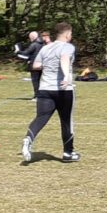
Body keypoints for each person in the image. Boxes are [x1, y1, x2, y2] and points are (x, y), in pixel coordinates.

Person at [22, 22, 79, 163]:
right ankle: (68, 153)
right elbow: (64, 59)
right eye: (71, 34)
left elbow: (36, 65)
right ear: (67, 34)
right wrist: (66, 76)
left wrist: (48, 65)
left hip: (45, 89)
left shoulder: (46, 48)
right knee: (66, 121)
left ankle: (28, 138)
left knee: (41, 118)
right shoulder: (68, 46)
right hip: (63, 90)